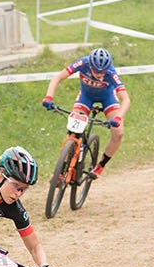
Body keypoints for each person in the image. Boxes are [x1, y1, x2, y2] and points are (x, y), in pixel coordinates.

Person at [41, 48, 129, 179]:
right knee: (73, 131)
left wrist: (118, 117)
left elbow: (126, 99)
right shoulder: (83, 63)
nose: (99, 75)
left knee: (118, 133)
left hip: (108, 99)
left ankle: (100, 165)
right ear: (90, 65)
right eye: (96, 71)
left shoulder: (111, 72)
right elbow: (58, 77)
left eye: (102, 72)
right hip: (86, 97)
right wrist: (49, 97)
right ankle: (61, 170)